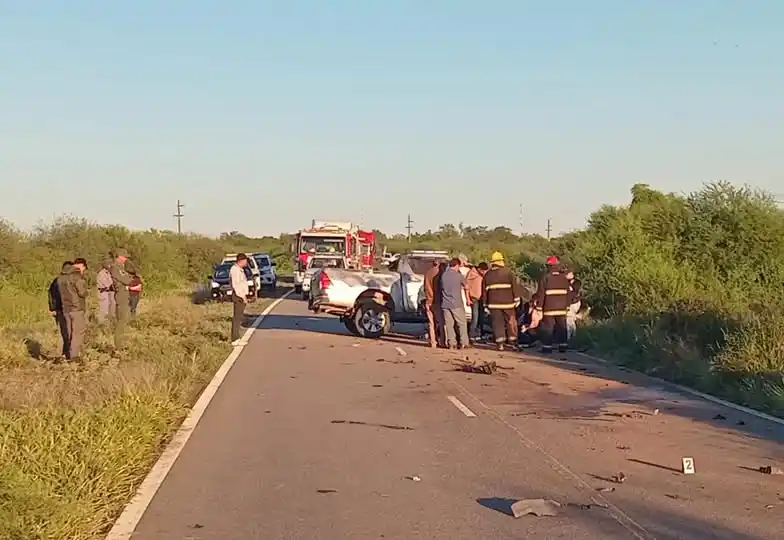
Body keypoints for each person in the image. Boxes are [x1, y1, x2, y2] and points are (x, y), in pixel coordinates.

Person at [482, 252, 526, 351]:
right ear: (501, 262)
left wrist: (485, 304)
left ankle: (500, 344)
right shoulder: (508, 272)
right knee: (511, 322)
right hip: (508, 303)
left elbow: (484, 291)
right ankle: (513, 343)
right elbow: (515, 286)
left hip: (493, 305)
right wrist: (517, 298)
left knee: (497, 323)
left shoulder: (488, 275)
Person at [533, 256, 575, 353]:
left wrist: (539, 307)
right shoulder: (563, 278)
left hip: (549, 307)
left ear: (548, 266)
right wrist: (567, 305)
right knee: (562, 326)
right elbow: (568, 293)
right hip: (561, 307)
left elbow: (541, 294)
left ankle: (547, 347)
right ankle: (563, 346)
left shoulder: (545, 278)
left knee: (548, 327)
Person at [57, 257, 88, 361]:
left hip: (65, 308)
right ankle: (74, 356)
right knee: (78, 332)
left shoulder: (60, 277)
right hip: (77, 307)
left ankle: (67, 354)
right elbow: (82, 292)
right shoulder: (77, 276)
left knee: (69, 331)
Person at [440, 258, 470, 349]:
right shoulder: (458, 275)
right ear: (457, 265)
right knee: (462, 323)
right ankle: (464, 342)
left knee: (449, 325)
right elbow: (467, 286)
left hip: (445, 303)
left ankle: (451, 343)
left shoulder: (444, 275)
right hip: (456, 303)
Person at [110, 248, 134, 351]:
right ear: (119, 256)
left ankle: (120, 344)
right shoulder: (116, 268)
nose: (125, 259)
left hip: (123, 295)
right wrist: (128, 279)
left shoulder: (120, 267)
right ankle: (118, 346)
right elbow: (127, 280)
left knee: (124, 321)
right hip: (121, 296)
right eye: (124, 257)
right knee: (121, 322)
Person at [48, 260, 72, 358]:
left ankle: (66, 352)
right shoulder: (65, 280)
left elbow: (50, 295)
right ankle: (67, 353)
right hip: (63, 309)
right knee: (67, 332)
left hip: (60, 309)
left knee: (65, 332)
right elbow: (52, 295)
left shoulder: (57, 280)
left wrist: (52, 308)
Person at [422, 259, 444, 348]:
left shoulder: (428, 273)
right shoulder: (439, 273)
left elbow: (425, 287)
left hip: (429, 300)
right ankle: (442, 341)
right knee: (441, 322)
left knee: (431, 323)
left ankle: (433, 342)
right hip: (437, 301)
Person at [230, 253, 250, 346]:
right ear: (241, 261)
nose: (246, 262)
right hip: (238, 296)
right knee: (237, 318)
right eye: (245, 260)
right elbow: (236, 285)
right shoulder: (235, 270)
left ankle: (237, 337)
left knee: (239, 317)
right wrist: (243, 297)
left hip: (240, 295)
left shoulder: (240, 270)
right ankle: (234, 339)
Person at [465, 260, 486, 342]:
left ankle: (480, 334)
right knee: (475, 317)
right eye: (483, 271)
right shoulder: (471, 274)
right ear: (479, 269)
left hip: (481, 298)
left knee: (481, 317)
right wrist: (467, 298)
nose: (484, 273)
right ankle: (472, 334)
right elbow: (466, 287)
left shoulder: (482, 275)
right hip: (474, 298)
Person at [95, 259, 115, 324]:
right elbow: (108, 284)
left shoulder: (108, 273)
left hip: (108, 292)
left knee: (111, 308)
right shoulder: (101, 274)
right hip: (103, 292)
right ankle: (101, 324)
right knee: (103, 308)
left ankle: (109, 323)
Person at [565, 270, 583, 342]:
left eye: (568, 274)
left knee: (569, 318)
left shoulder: (576, 283)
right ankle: (572, 336)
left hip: (574, 303)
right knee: (570, 319)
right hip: (570, 302)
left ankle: (569, 337)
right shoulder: (566, 283)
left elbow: (574, 294)